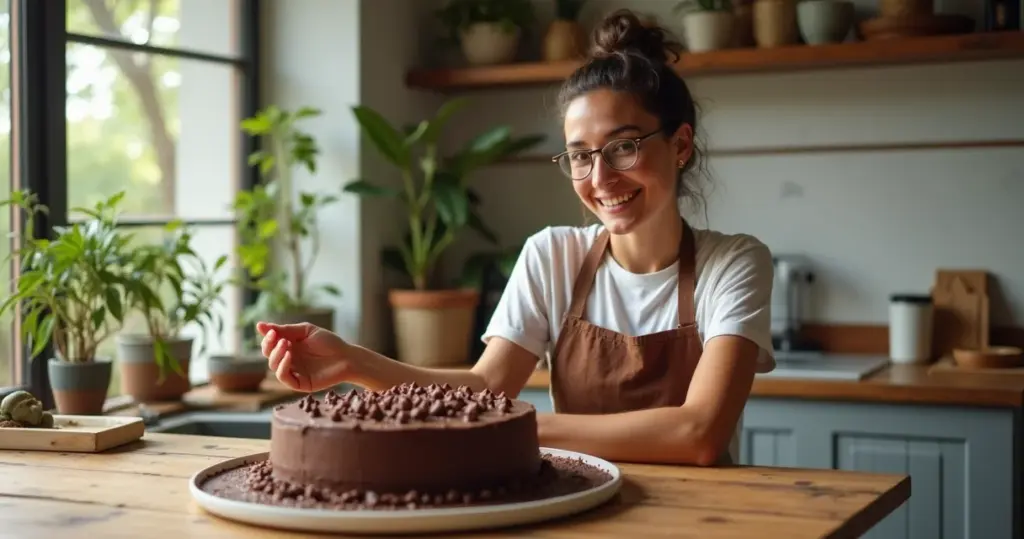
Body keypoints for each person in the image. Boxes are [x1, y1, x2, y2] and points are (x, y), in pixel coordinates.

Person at [257, 9, 775, 467]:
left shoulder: (732, 264)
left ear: (680, 145)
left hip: (705, 517)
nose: (600, 179)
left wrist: (507, 424)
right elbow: (484, 389)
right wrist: (353, 361)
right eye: (579, 155)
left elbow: (699, 433)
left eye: (623, 147)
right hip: (577, 503)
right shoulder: (554, 255)